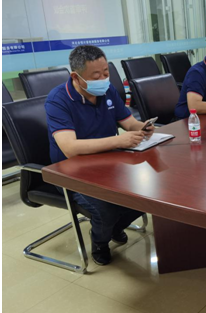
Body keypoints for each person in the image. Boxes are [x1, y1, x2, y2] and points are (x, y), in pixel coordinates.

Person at [45, 45, 155, 266]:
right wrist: (119, 140)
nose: (104, 79)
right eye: (96, 76)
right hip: (71, 172)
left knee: (148, 193)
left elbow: (129, 123)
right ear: (76, 77)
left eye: (106, 72)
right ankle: (99, 242)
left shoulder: (108, 91)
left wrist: (142, 127)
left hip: (109, 164)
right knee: (106, 209)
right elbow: (69, 148)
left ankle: (113, 228)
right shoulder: (58, 100)